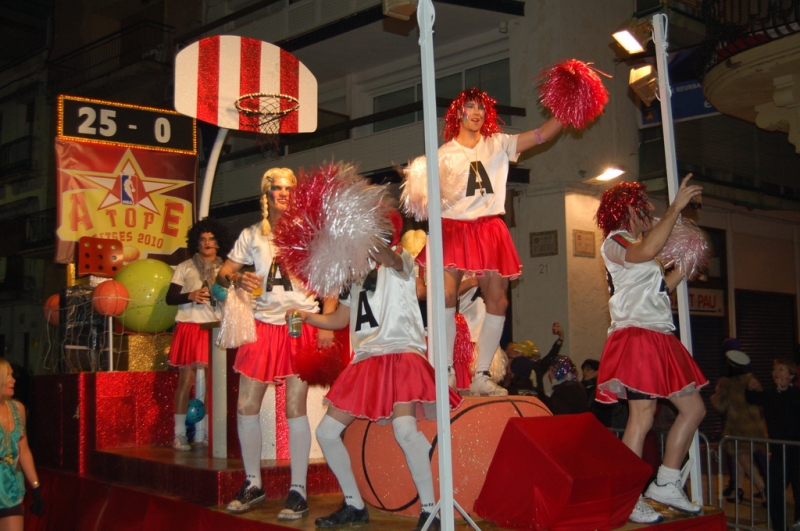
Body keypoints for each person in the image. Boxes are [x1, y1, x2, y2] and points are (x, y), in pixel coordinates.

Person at [288, 210, 461, 531]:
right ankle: (354, 504)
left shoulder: (400, 259)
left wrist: (363, 241)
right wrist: (306, 315)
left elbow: (387, 257)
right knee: (326, 433)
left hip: (400, 354)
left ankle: (429, 510)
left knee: (405, 431)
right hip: (366, 361)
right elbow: (342, 319)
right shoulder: (355, 273)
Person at [216, 168, 337, 517]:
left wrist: (327, 323)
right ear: (266, 194)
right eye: (277, 189)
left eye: (289, 188)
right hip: (262, 325)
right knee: (245, 406)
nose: (283, 194)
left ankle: (298, 489)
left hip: (300, 323)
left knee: (295, 407)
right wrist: (238, 278)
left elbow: (329, 281)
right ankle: (253, 482)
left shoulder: (312, 231)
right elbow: (224, 274)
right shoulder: (253, 234)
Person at [431, 89, 562, 397]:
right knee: (446, 294)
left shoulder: (499, 143)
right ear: (458, 114)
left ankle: (481, 373)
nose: (476, 112)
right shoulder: (443, 154)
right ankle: (447, 369)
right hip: (454, 228)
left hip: (489, 228)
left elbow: (543, 134)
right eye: (469, 107)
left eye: (481, 107)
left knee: (499, 301)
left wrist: (566, 110)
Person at [594, 175, 708, 525]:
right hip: (637, 336)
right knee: (641, 417)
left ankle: (667, 482)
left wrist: (686, 262)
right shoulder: (615, 242)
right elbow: (645, 252)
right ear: (626, 208)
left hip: (658, 336)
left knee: (694, 410)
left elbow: (661, 288)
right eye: (643, 206)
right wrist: (676, 209)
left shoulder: (639, 247)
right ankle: (629, 494)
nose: (650, 211)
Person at [165, 218, 231, 451]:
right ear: (196, 242)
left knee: (218, 383)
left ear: (219, 242)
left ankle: (216, 434)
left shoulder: (228, 268)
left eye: (212, 239)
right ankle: (179, 434)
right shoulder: (185, 267)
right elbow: (169, 298)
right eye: (202, 239)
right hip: (191, 326)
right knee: (186, 380)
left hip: (217, 328)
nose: (207, 243)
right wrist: (190, 295)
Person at [745, 359, 800, 531]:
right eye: (775, 369)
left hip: (797, 452)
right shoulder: (770, 395)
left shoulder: (797, 394)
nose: (777, 372)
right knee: (773, 492)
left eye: (781, 369)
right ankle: (779, 527)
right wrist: (750, 387)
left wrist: (786, 390)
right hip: (779, 452)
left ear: (791, 375)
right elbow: (751, 397)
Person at [710, 347, 766, 503]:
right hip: (753, 425)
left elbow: (720, 406)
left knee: (744, 460)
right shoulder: (751, 379)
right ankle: (737, 492)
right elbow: (760, 401)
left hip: (738, 427)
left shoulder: (726, 383)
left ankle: (765, 490)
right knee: (740, 459)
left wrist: (715, 395)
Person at [0, 359, 44, 529]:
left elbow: (24, 451)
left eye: (12, 375)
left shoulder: (17, 409)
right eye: (7, 376)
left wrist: (36, 487)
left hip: (11, 487)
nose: (13, 380)